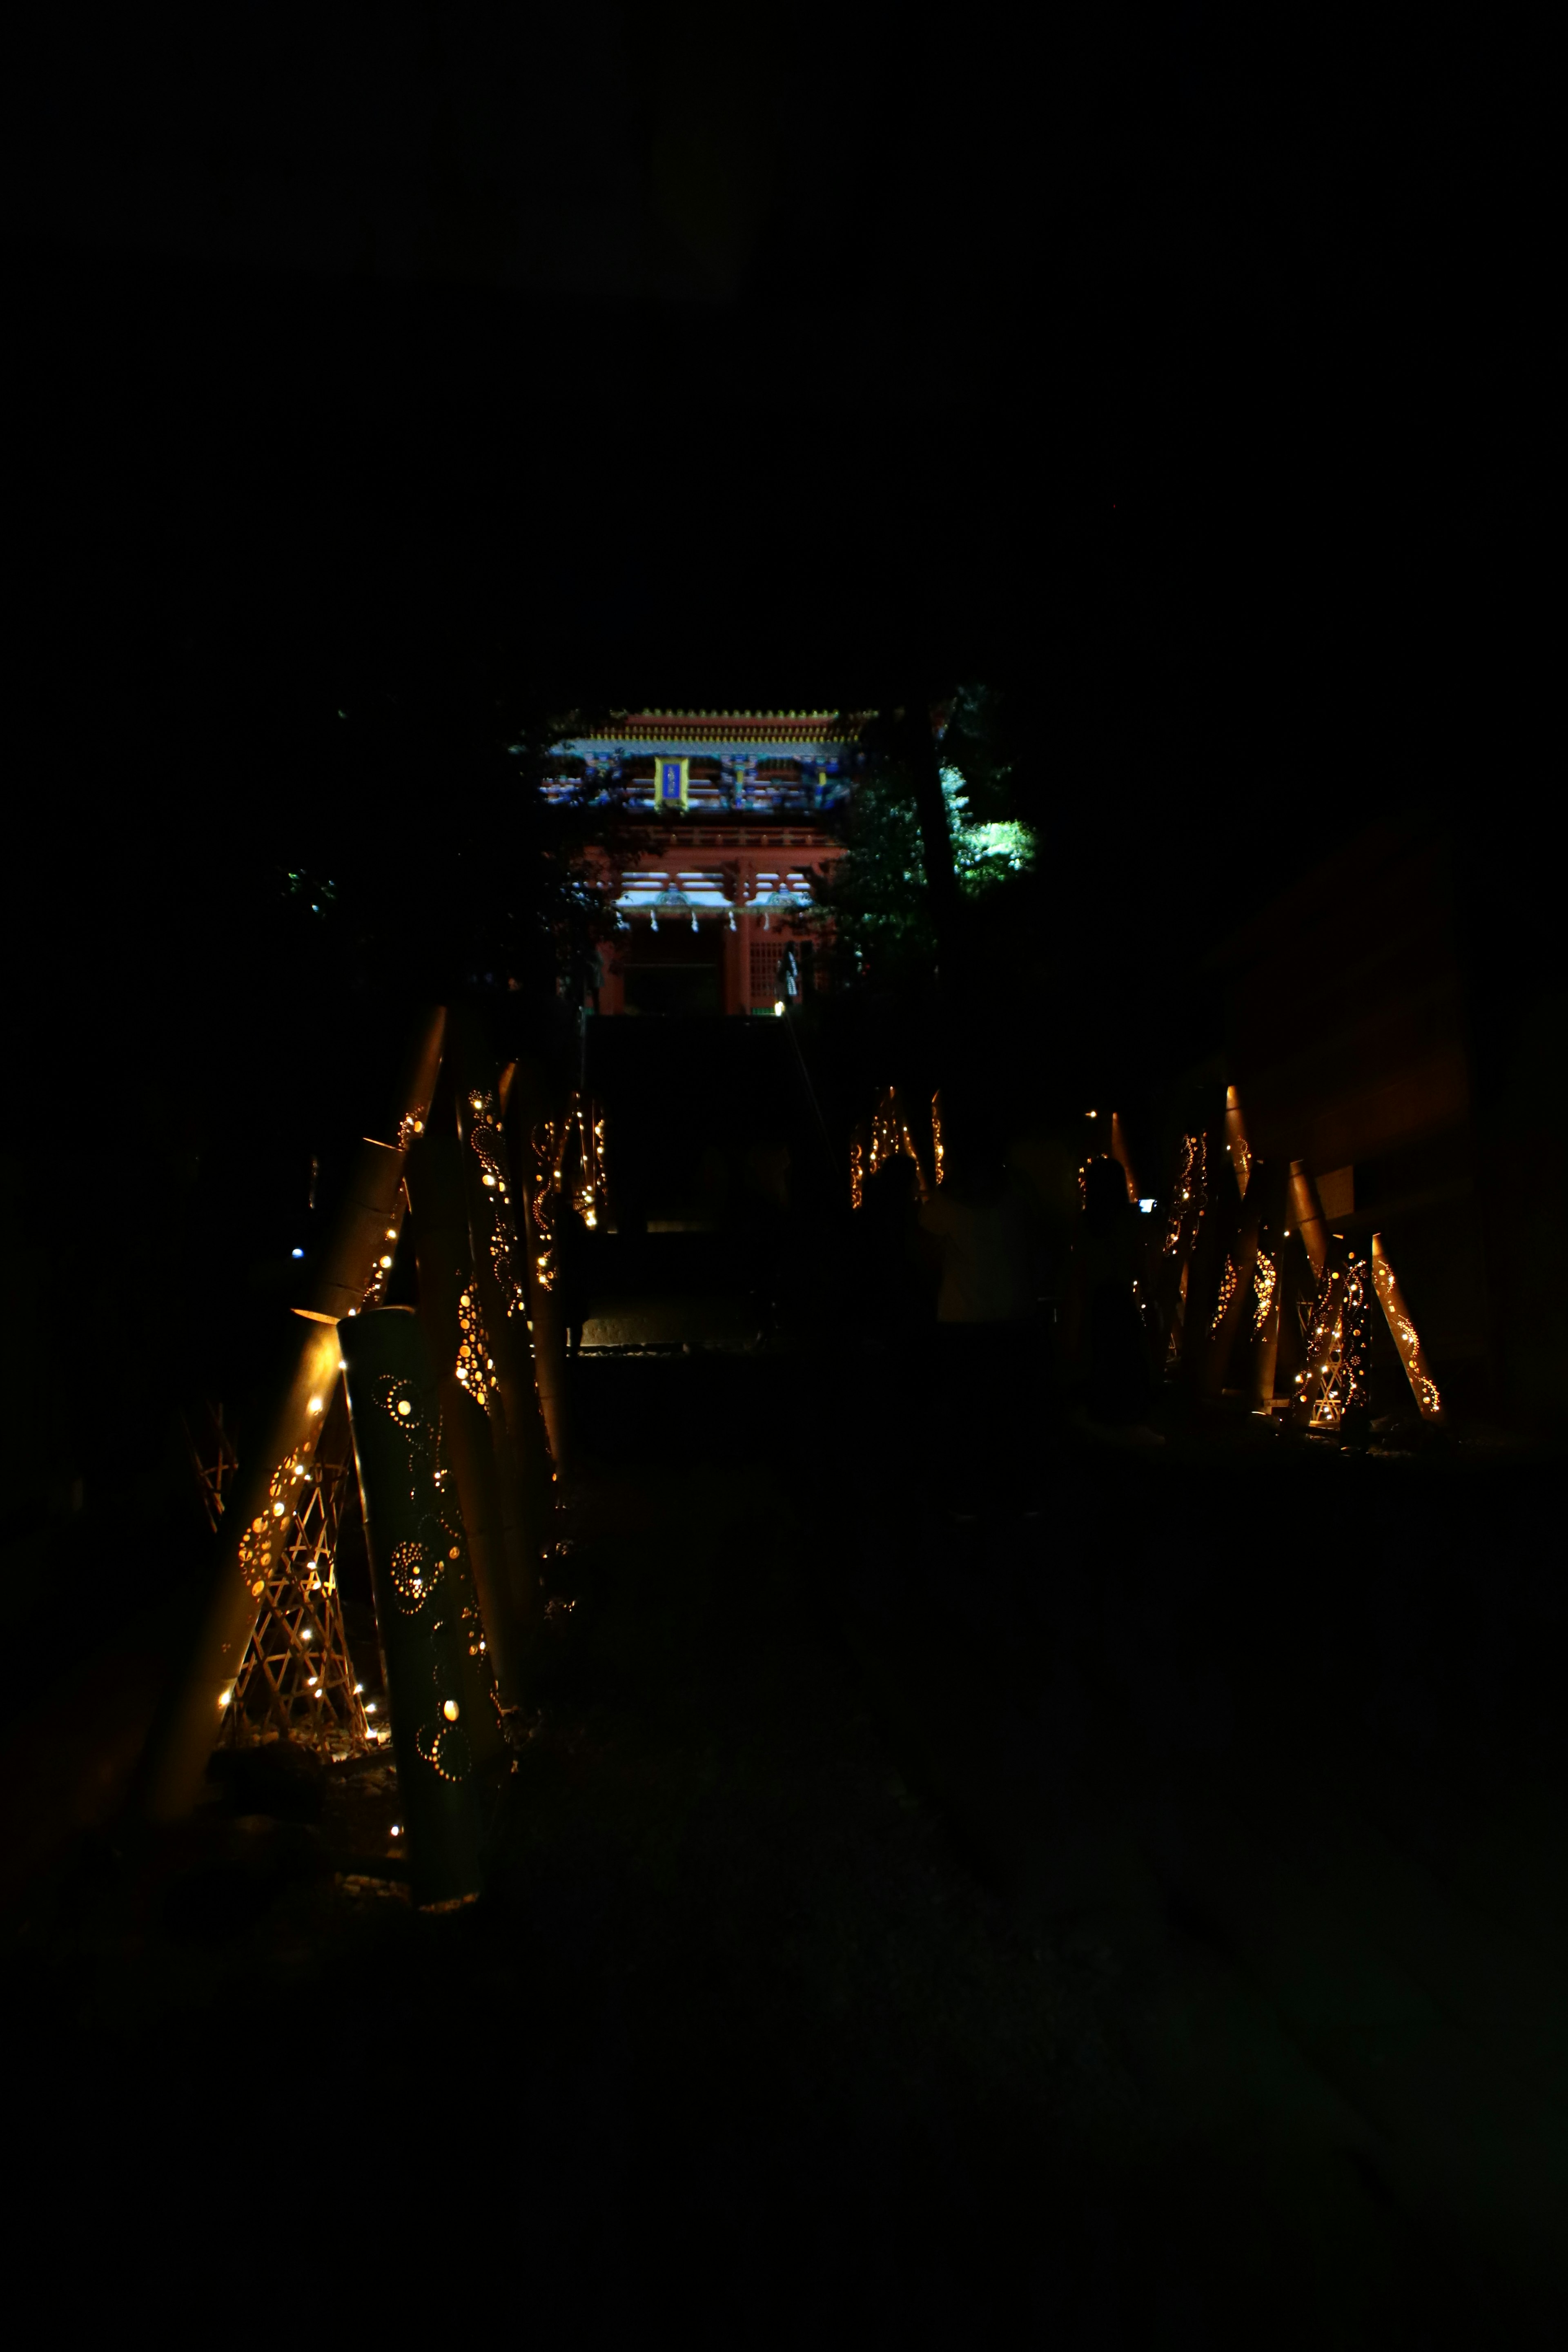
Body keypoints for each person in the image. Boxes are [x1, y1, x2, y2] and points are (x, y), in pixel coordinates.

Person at [916, 1104, 1039, 1521]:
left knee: (967, 1420)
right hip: (1011, 1322)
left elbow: (927, 1268)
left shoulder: (940, 1209)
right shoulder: (1018, 1198)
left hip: (962, 1328)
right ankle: (1013, 1499)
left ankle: (969, 1502)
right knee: (1007, 1418)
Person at [1060, 1155, 1162, 1441]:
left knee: (1100, 1358)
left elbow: (1079, 1268)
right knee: (1127, 1358)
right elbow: (1139, 1262)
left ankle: (1103, 1417)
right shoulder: (1130, 1220)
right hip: (1120, 1297)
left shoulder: (1083, 1223)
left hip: (1095, 1300)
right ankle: (1128, 1417)